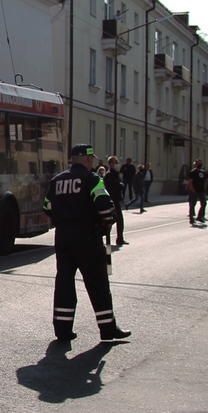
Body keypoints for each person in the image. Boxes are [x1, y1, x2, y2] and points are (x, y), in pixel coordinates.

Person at [43, 143, 130, 343]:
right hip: (87, 235)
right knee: (98, 281)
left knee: (64, 280)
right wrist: (104, 225)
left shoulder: (57, 180)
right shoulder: (92, 179)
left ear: (72, 159)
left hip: (63, 236)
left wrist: (62, 218)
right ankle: (108, 328)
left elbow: (46, 205)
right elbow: (106, 209)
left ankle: (63, 329)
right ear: (89, 160)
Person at [102, 155, 125, 246]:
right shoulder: (109, 174)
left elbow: (120, 184)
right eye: (116, 162)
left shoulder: (115, 173)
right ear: (111, 164)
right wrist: (120, 185)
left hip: (116, 199)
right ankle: (107, 238)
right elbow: (115, 186)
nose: (117, 164)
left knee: (119, 219)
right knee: (111, 220)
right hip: (112, 200)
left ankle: (120, 238)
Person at [186, 159, 208, 224]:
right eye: (198, 163)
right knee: (193, 204)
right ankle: (191, 218)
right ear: (195, 164)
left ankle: (199, 216)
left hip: (202, 191)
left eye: (200, 163)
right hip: (195, 190)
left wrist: (205, 187)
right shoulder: (192, 172)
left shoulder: (203, 172)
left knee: (204, 204)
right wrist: (193, 190)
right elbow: (190, 182)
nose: (200, 164)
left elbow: (206, 180)